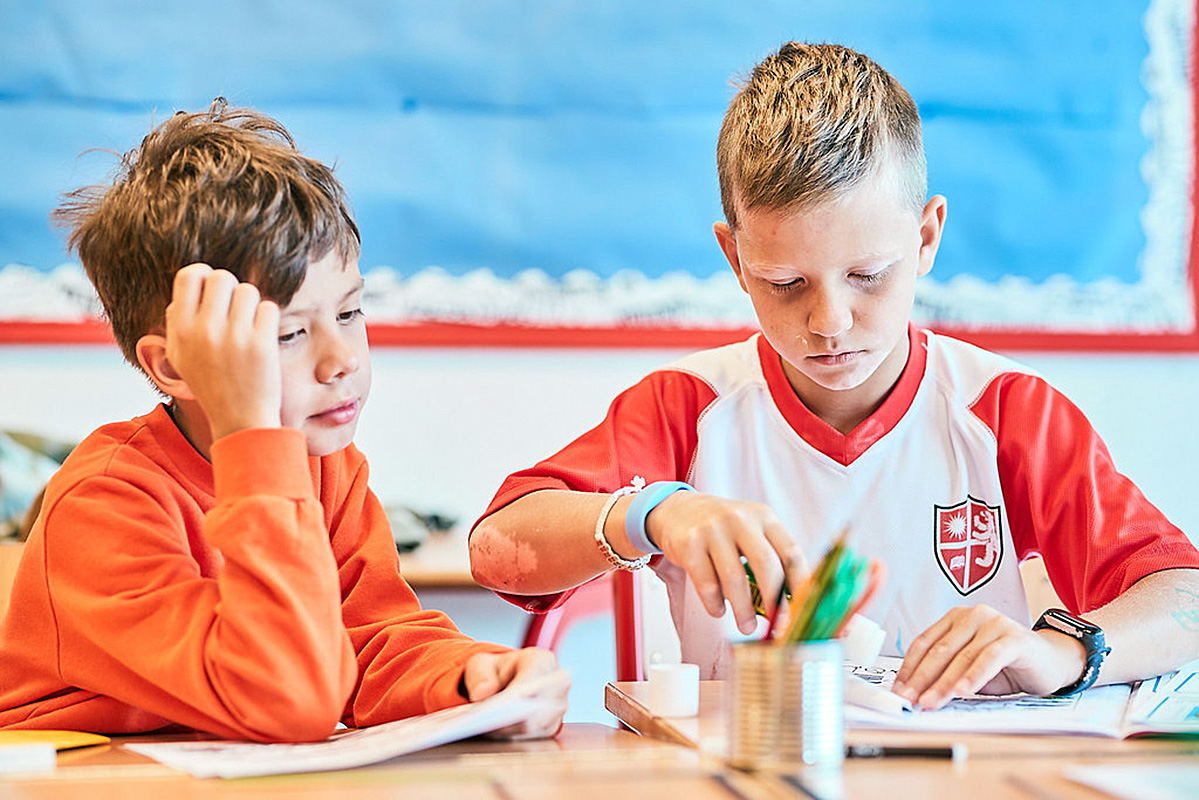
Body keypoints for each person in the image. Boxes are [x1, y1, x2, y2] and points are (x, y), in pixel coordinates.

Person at [469, 42, 1199, 710]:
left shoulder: (1006, 412)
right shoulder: (685, 408)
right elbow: (496, 552)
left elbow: (1185, 599)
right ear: (735, 260)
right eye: (784, 282)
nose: (829, 321)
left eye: (867, 274)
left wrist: (1068, 652)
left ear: (925, 238)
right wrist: (648, 514)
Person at [0, 99, 568, 742]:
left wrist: (471, 680)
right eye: (289, 333)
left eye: (349, 314)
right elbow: (287, 697)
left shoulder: (326, 471)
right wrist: (253, 440)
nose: (342, 359)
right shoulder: (104, 502)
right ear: (176, 365)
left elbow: (366, 641)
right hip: (84, 776)